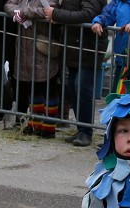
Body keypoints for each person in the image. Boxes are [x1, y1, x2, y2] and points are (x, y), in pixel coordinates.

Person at [48, 0, 105, 144]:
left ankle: (86, 132)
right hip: (75, 45)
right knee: (73, 87)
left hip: (88, 46)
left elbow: (88, 14)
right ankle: (81, 129)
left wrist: (57, 14)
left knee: (82, 88)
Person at [6, 0, 63, 136]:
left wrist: (22, 12)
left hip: (43, 44)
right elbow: (8, 5)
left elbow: (50, 10)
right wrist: (17, 11)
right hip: (25, 46)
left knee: (48, 87)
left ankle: (49, 127)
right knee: (33, 85)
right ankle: (35, 124)